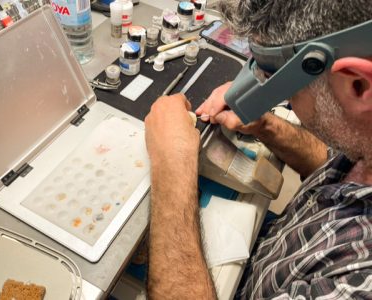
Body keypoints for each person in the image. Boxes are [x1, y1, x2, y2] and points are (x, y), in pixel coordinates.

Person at [144, 0, 372, 299]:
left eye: (286, 89)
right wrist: (266, 126)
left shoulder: (356, 284)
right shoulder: (363, 139)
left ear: (358, 86)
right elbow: (334, 166)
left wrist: (172, 165)